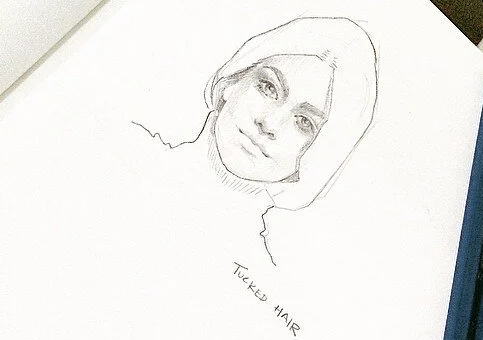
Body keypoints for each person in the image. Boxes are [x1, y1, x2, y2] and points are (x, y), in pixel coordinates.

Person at [136, 16, 378, 262]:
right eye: (269, 88)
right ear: (233, 81)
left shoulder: (256, 273)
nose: (269, 124)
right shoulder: (128, 149)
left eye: (304, 122)